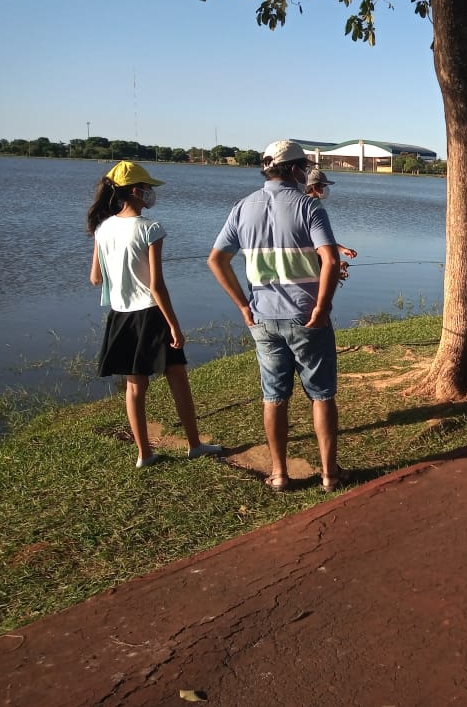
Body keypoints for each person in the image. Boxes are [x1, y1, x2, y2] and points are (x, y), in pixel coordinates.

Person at [207, 140, 344, 493]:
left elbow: (216, 260)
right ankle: (329, 474)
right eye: (305, 167)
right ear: (297, 169)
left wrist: (242, 304)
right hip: (306, 317)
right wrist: (322, 307)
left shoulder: (242, 207)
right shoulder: (307, 207)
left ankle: (280, 474)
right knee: (321, 394)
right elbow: (329, 260)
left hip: (263, 318)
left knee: (274, 396)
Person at [87, 161, 222, 468]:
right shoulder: (151, 228)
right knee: (178, 378)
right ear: (135, 192)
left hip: (120, 316)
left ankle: (143, 454)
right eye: (147, 188)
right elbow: (156, 286)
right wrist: (174, 326)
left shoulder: (102, 227)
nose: (150, 193)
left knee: (135, 387)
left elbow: (96, 278)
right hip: (150, 314)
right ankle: (194, 444)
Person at [305, 168, 358, 283]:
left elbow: (318, 241)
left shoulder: (303, 205)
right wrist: (334, 268)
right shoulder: (313, 208)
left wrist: (342, 250)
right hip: (309, 276)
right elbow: (315, 246)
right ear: (314, 187)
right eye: (324, 185)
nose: (326, 189)